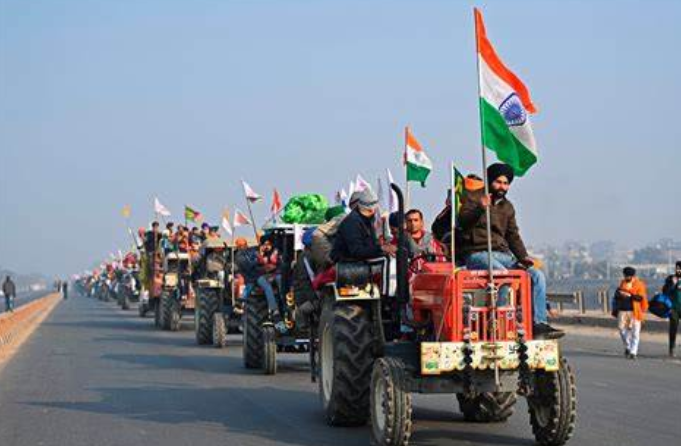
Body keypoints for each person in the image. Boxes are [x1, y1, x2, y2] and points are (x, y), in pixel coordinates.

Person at [459, 163, 561, 339]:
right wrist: (479, 208)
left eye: (506, 183)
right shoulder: (473, 198)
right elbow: (463, 222)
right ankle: (497, 322)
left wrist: (524, 257)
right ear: (490, 181)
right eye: (498, 182)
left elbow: (513, 235)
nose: (502, 187)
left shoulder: (508, 207)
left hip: (504, 254)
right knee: (503, 275)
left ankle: (538, 322)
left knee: (536, 276)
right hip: (479, 254)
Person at [331, 188, 395, 262]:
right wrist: (381, 248)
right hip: (347, 264)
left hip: (360, 263)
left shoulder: (368, 220)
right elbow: (356, 251)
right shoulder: (351, 222)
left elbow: (370, 245)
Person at [611, 267, 648, 359]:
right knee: (622, 330)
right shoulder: (622, 284)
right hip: (622, 311)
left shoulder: (639, 284)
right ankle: (628, 346)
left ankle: (633, 352)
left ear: (632, 276)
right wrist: (620, 295)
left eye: (628, 276)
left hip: (634, 311)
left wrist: (629, 295)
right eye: (625, 276)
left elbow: (640, 298)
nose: (626, 278)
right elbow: (616, 295)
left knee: (635, 332)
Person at [663, 261, 681, 357]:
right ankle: (672, 347)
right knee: (673, 328)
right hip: (674, 308)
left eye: (680, 268)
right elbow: (665, 291)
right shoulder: (670, 278)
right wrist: (673, 284)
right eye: (677, 268)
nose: (679, 270)